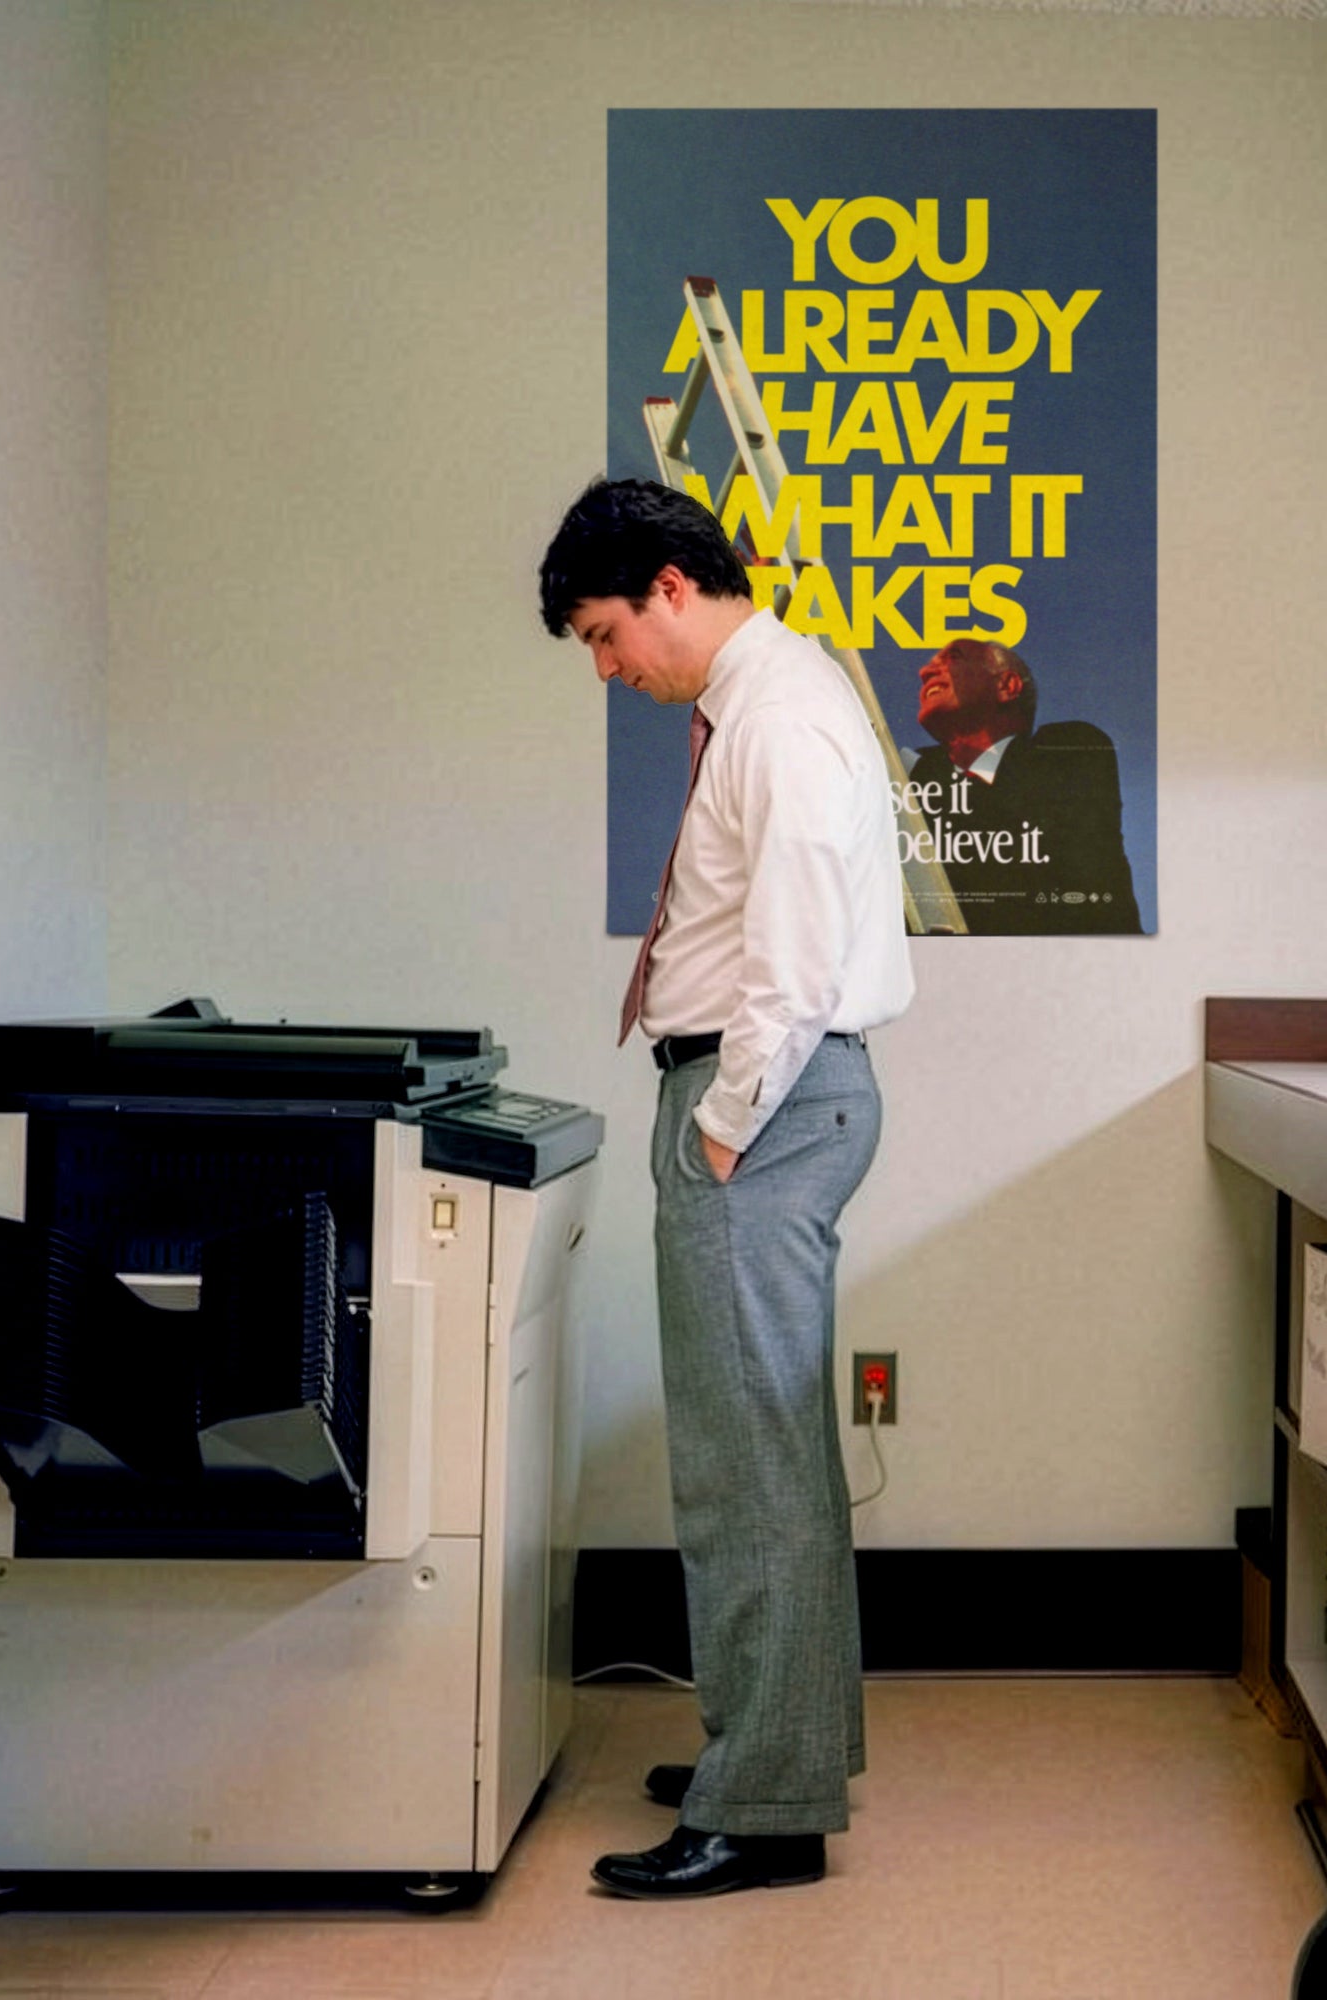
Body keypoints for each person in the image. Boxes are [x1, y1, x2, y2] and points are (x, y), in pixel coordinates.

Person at [538, 479, 913, 1898]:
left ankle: (761, 1810)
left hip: (758, 1108)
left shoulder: (782, 714)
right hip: (751, 1106)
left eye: (605, 630)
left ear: (671, 587)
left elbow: (800, 954)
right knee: (763, 1458)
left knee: (744, 1467)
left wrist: (725, 1121)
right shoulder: (770, 701)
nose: (607, 665)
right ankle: (768, 1750)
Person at [908, 637, 1143, 934]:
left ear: (1007, 686)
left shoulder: (1070, 749)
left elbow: (1009, 835)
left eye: (954, 657)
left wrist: (920, 770)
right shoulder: (918, 775)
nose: (925, 671)